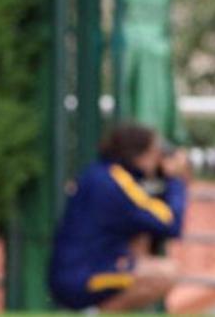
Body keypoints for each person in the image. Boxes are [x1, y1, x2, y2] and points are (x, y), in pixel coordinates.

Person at [48, 122, 188, 312]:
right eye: (156, 152)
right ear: (141, 153)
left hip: (77, 271)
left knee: (140, 243)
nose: (159, 159)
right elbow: (170, 223)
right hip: (83, 277)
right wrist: (175, 180)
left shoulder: (100, 173)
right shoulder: (117, 181)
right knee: (167, 273)